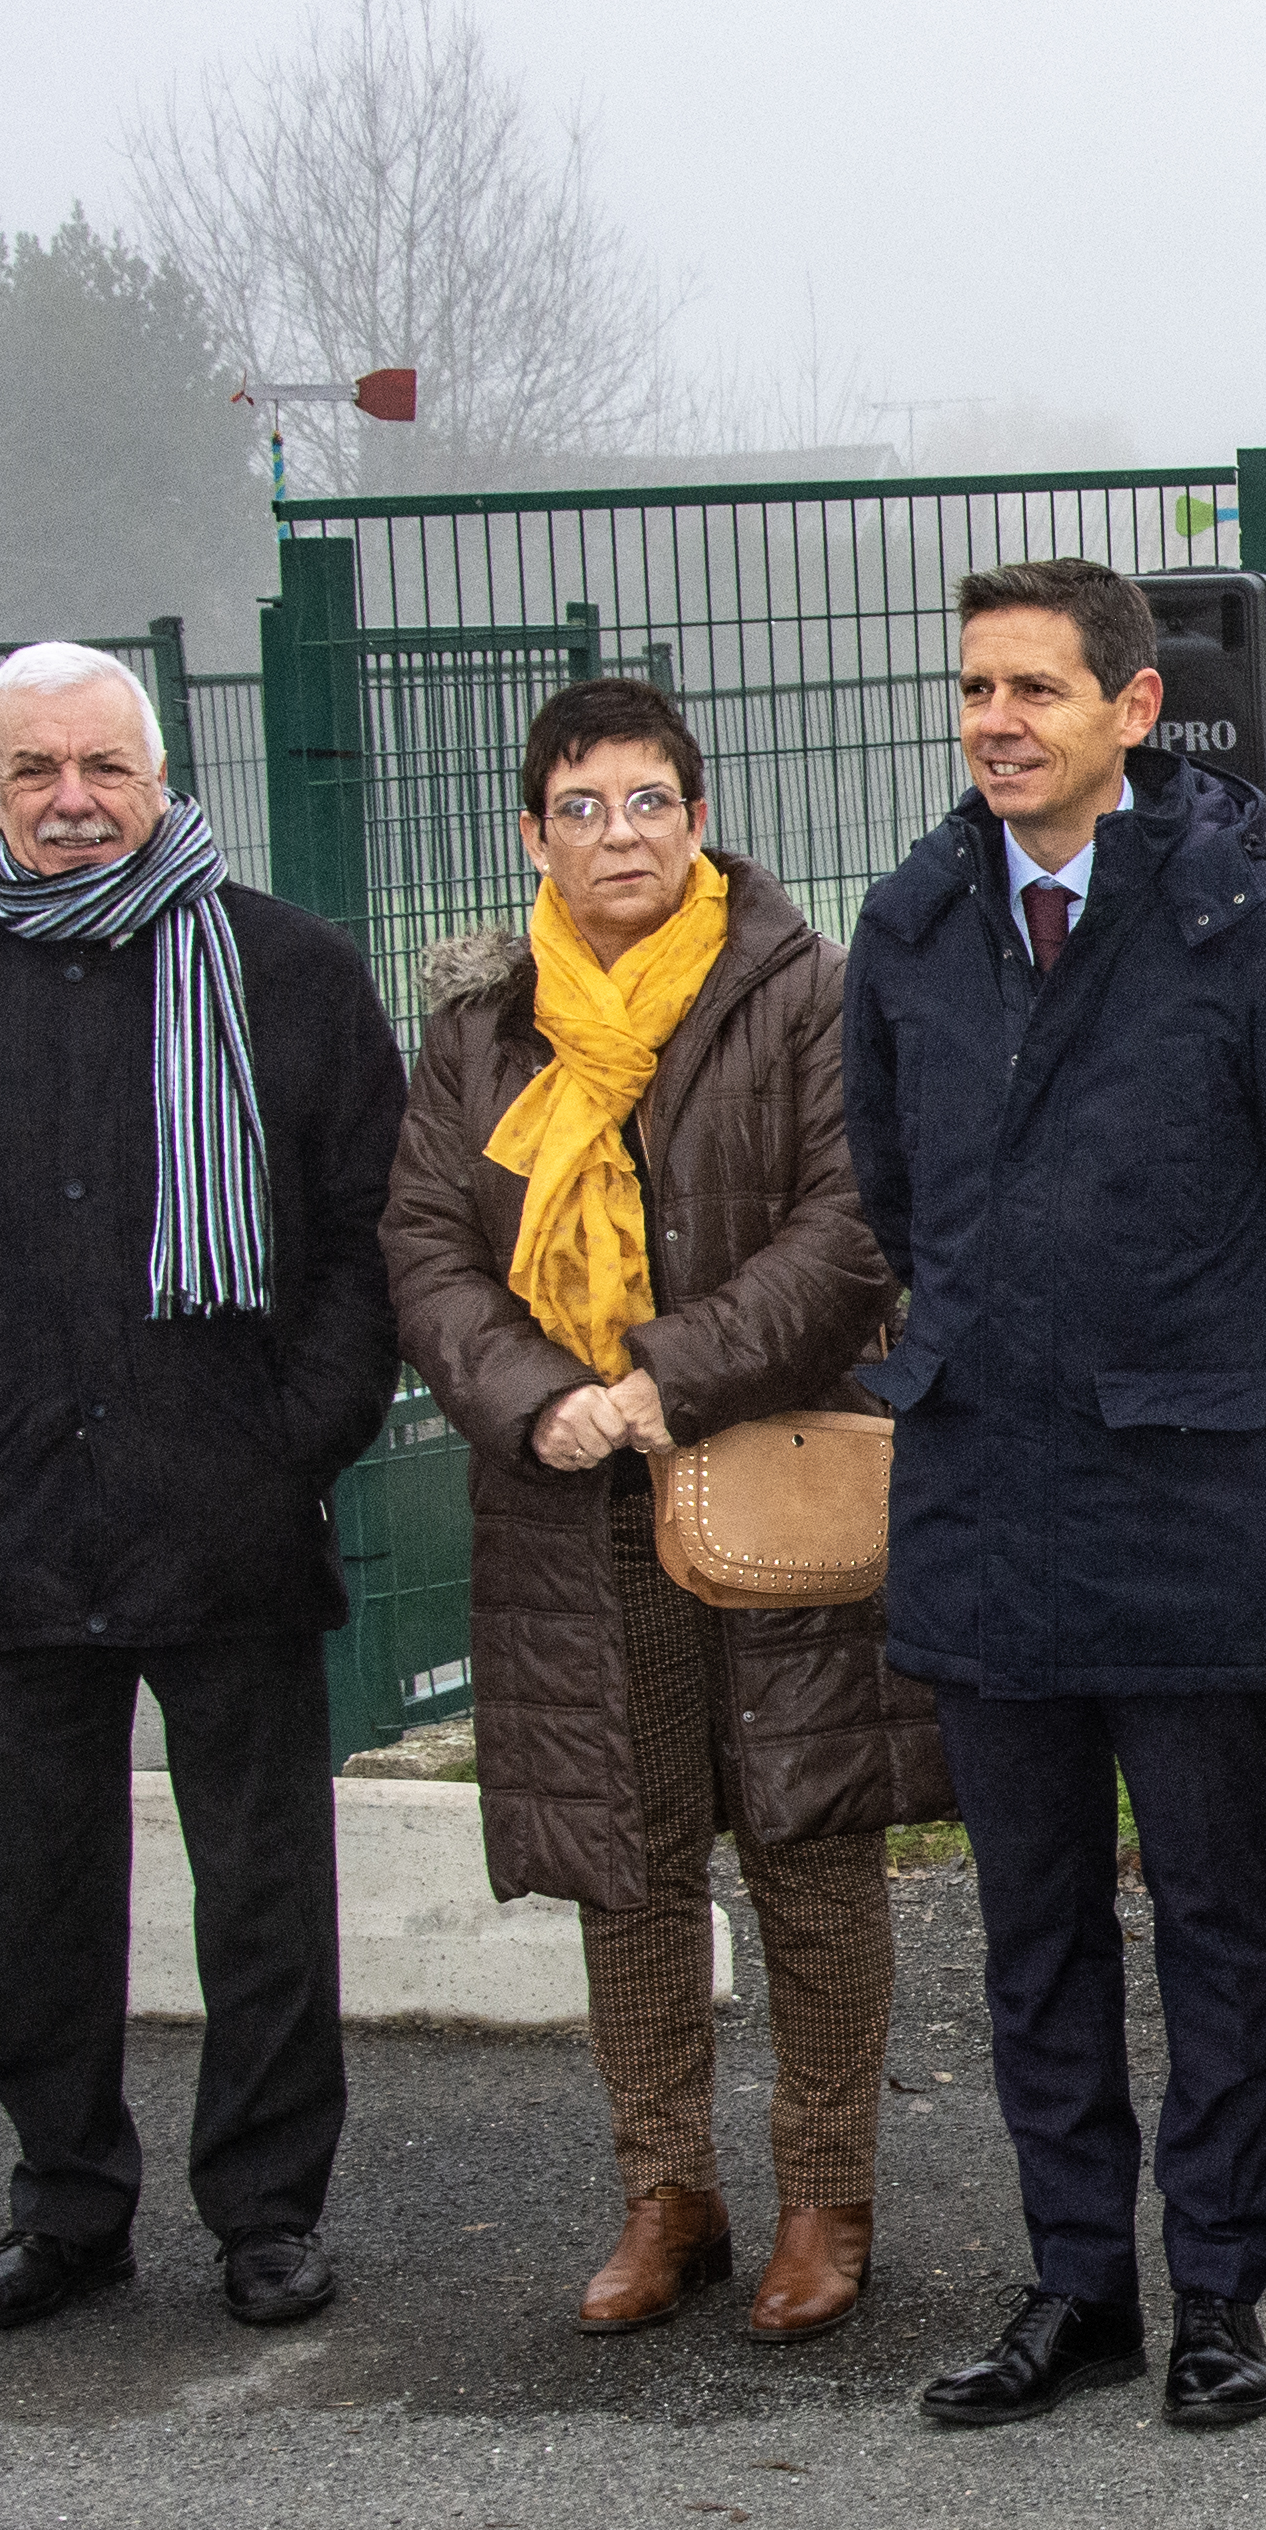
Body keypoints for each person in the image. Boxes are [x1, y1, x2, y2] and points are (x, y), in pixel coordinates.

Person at [841, 560, 1266, 2434]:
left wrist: (1228, 1380)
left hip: (1185, 1516)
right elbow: (894, 1195)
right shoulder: (918, 922)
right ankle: (1077, 2282)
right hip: (982, 1507)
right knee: (1031, 1933)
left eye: (1036, 690)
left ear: (1133, 712)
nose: (998, 722)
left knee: (1215, 1920)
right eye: (975, 691)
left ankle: (1222, 2295)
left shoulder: (1248, 929)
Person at [0, 642, 405, 2337]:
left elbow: (366, 1244)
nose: (74, 804)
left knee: (265, 1891)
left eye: (105, 771)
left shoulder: (286, 973)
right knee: (42, 1894)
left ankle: (267, 2215)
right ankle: (65, 2209)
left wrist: (292, 1442)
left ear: (161, 775)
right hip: (7, 1530)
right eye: (37, 772)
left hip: (225, 1517)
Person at [383, 677, 946, 2345]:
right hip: (567, 1499)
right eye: (582, 808)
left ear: (698, 820)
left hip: (767, 1470)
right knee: (623, 1854)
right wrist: (532, 1397)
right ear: (532, 835)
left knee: (808, 1838)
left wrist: (662, 1376)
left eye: (648, 802)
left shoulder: (808, 995)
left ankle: (827, 2195)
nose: (617, 835)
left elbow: (856, 1230)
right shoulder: (482, 1028)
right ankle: (667, 2193)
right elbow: (423, 1241)